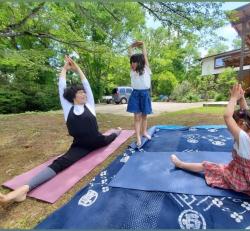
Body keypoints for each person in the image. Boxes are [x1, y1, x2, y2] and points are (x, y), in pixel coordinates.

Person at [0, 56, 121, 204]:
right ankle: (24, 189)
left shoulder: (89, 105)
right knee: (60, 163)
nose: (84, 94)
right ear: (73, 96)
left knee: (113, 135)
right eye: (81, 93)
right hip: (80, 146)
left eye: (84, 92)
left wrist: (77, 69)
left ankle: (118, 131)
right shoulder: (68, 108)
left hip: (98, 141)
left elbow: (86, 83)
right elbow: (61, 85)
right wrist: (64, 68)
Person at [171, 83, 250, 204]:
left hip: (244, 179)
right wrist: (242, 98)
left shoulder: (243, 137)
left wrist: (233, 98)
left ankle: (181, 164)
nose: (232, 127)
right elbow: (248, 113)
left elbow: (227, 116)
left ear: (241, 124)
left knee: (208, 166)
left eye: (235, 122)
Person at [127, 41, 152, 147]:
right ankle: (138, 137)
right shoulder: (132, 71)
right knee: (137, 117)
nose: (132, 64)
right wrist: (131, 46)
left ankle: (144, 132)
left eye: (134, 62)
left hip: (145, 94)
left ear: (140, 62)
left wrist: (143, 45)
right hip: (135, 94)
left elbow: (144, 55)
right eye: (131, 62)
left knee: (144, 116)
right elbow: (130, 54)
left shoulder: (146, 69)